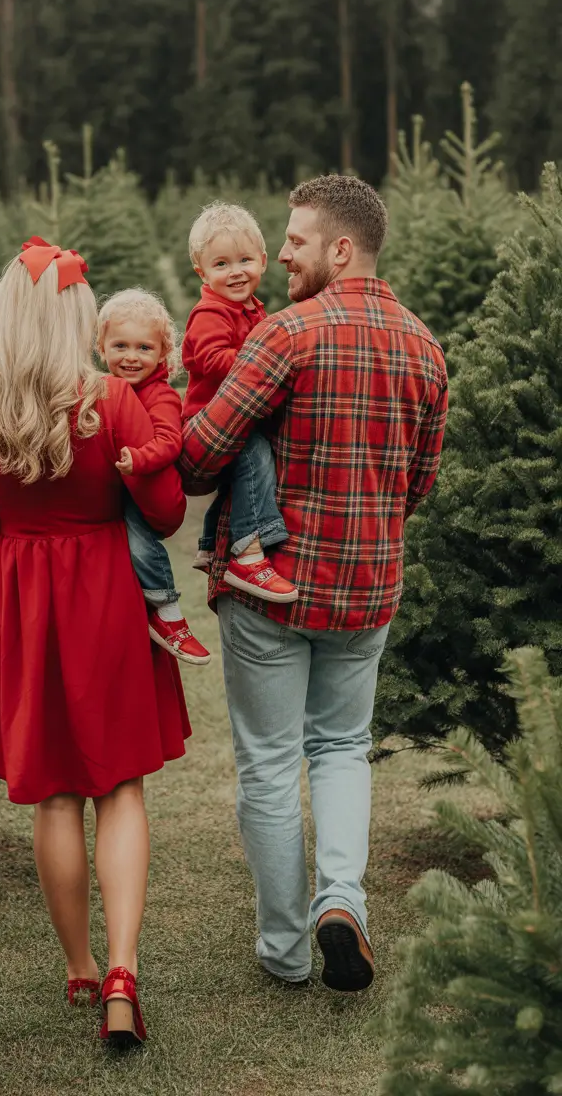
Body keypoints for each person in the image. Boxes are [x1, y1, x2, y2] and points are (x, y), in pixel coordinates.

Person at [180, 176, 448, 992]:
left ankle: (286, 950)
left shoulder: (287, 335)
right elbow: (419, 485)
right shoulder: (425, 348)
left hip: (272, 590)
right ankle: (343, 901)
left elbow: (199, 458)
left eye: (293, 241)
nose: (279, 254)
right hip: (365, 591)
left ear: (341, 248)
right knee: (340, 749)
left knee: (267, 764)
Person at [0, 236, 191, 1049]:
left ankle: (82, 967)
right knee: (119, 785)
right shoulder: (109, 400)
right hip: (106, 595)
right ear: (79, 321)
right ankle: (125, 968)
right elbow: (163, 515)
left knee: (56, 791)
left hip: (24, 597)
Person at [182, 202, 298, 603]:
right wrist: (261, 361)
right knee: (255, 456)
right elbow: (213, 361)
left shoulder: (253, 309)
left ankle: (210, 541)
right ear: (202, 272)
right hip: (211, 419)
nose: (235, 271)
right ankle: (249, 556)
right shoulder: (210, 313)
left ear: (263, 261)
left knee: (241, 480)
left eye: (244, 260)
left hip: (239, 415)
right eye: (221, 264)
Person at [96, 286, 210, 664]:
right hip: (122, 487)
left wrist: (137, 459)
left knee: (140, 542)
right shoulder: (104, 390)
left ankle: (168, 611)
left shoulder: (159, 395)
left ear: (163, 353)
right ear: (102, 348)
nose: (131, 357)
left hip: (149, 495)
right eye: (120, 346)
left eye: (144, 348)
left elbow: (169, 442)